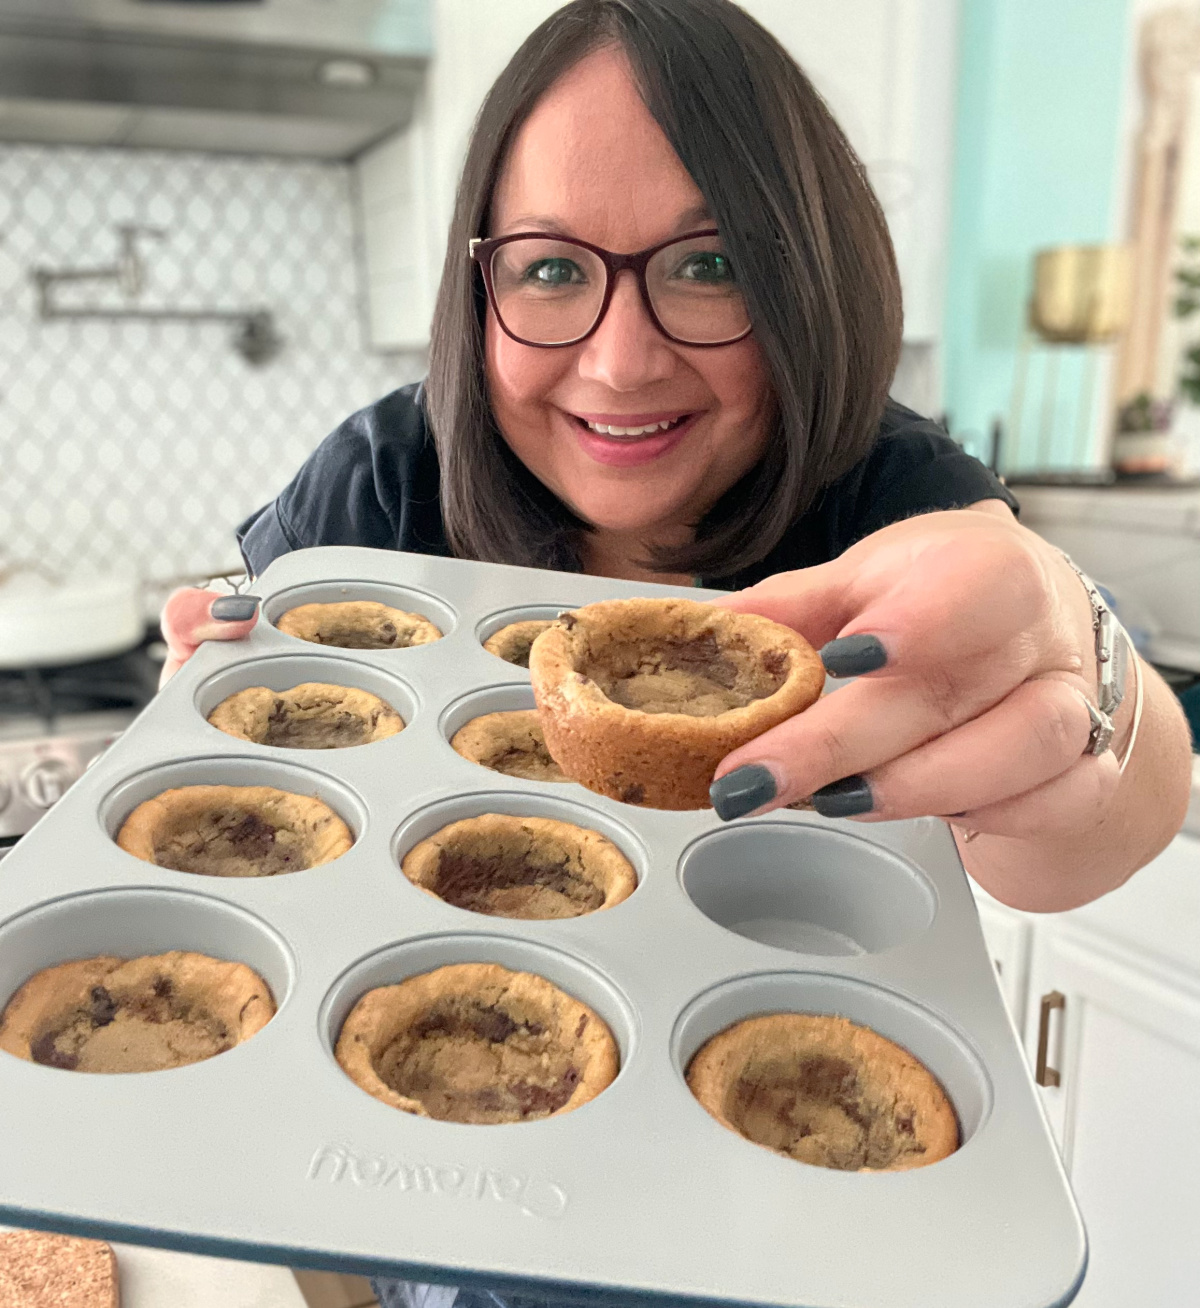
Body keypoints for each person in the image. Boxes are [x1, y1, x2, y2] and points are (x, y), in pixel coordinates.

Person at [159, 1, 1190, 1300]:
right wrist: (197, 697)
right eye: (549, 268)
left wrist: (1079, 649)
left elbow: (1098, 835)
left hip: (785, 1224)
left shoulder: (890, 496)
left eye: (707, 265)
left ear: (802, 277)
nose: (621, 358)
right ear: (479, 283)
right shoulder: (383, 485)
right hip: (432, 1197)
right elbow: (244, 795)